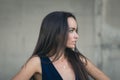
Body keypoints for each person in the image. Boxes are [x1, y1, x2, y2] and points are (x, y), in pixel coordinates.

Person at [12, 11, 110, 80]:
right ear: (55, 32)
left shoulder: (79, 59)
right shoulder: (36, 62)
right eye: (71, 30)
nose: (77, 36)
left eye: (76, 30)